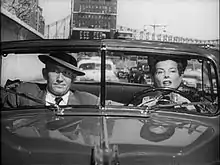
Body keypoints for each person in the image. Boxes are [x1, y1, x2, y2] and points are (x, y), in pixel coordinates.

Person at [2, 52, 99, 108]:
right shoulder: (22, 94)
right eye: (55, 71)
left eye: (66, 73)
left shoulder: (88, 102)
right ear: (45, 74)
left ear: (73, 78)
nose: (60, 79)